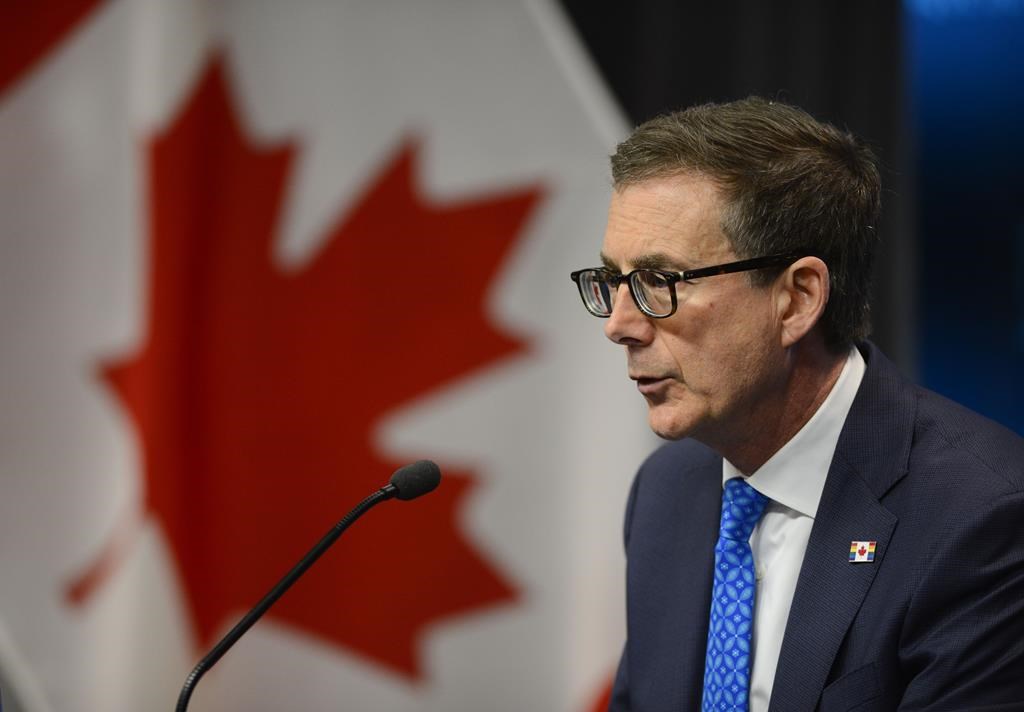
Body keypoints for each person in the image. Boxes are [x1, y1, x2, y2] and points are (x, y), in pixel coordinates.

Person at [570, 98, 1024, 712]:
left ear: (797, 299)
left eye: (659, 282)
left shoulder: (982, 518)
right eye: (613, 281)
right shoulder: (666, 492)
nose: (619, 324)